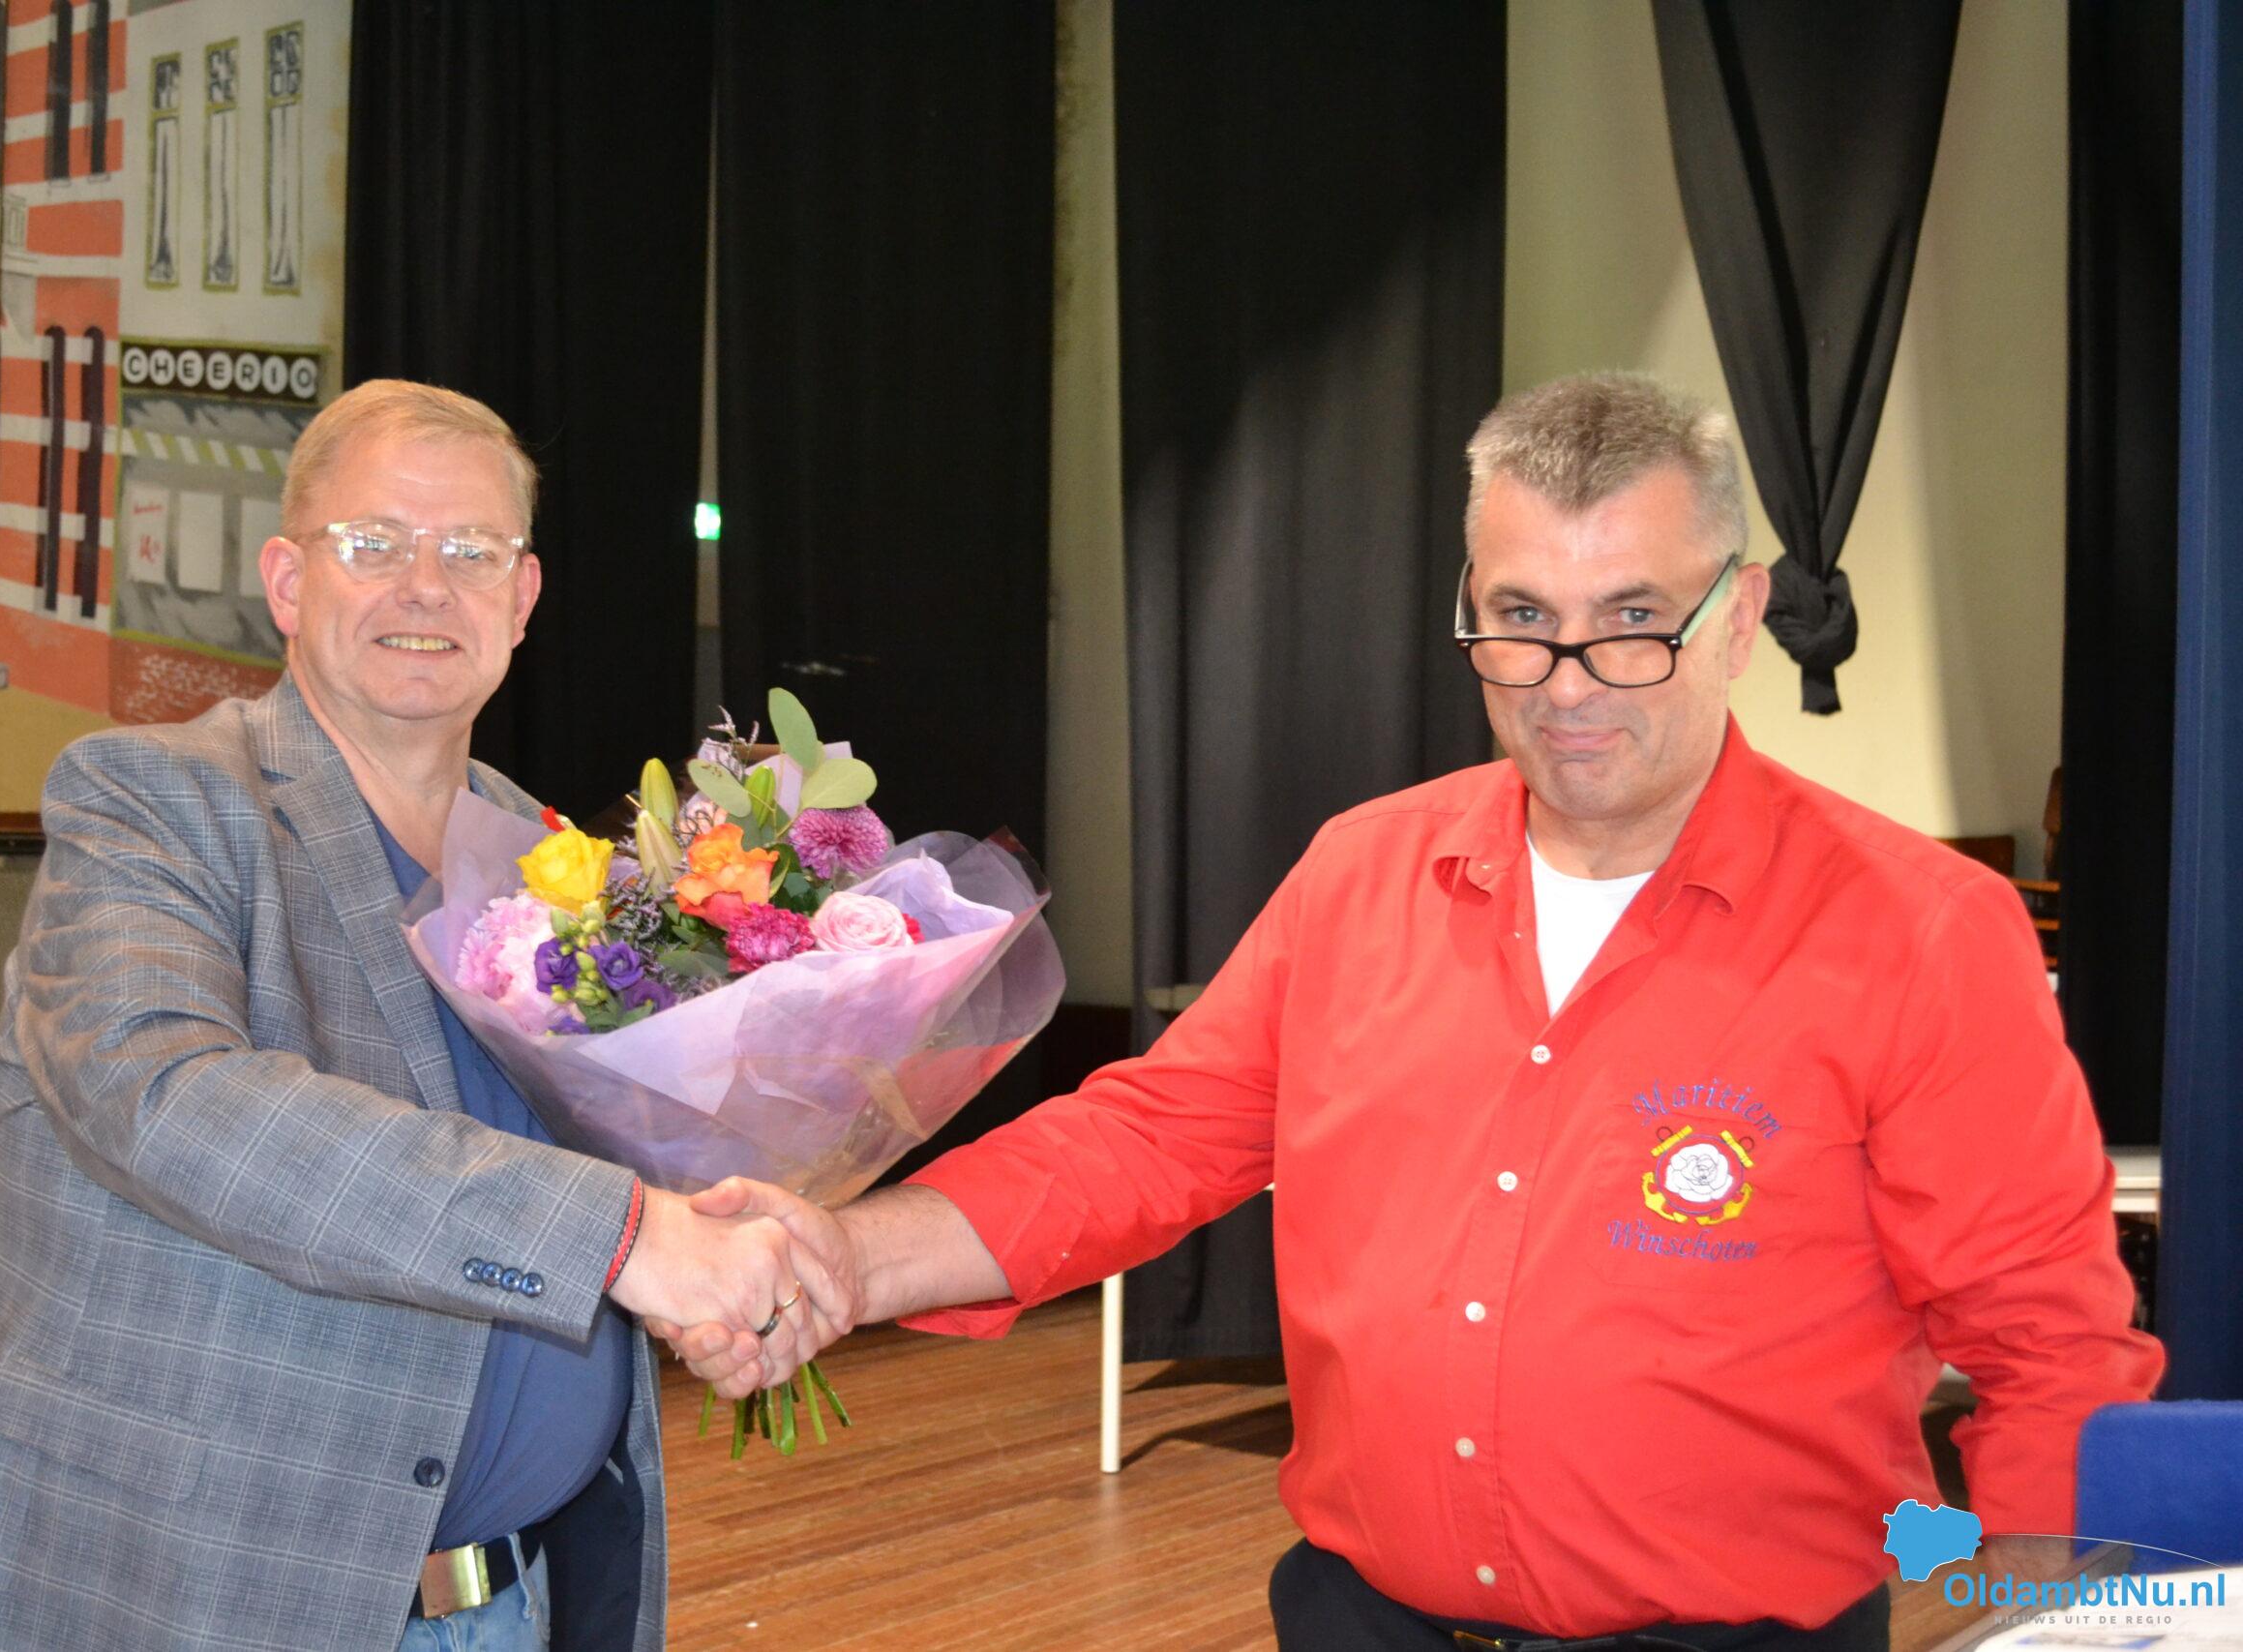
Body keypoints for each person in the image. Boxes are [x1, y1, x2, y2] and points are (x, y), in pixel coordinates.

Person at [661, 375, 2165, 1651]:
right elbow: (1147, 1140)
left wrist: (2059, 1627)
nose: (1567, 683)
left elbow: (2050, 1350)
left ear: (1740, 615)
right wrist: (844, 1259)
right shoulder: (1363, 873)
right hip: (1361, 1620)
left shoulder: (1918, 933)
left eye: (1632, 619)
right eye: (1520, 617)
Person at [0, 380, 841, 1652]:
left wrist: (716, 1260)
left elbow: (590, 1170)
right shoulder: (152, 800)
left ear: (522, 599)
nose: (425, 587)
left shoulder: (552, 855)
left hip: (513, 1600)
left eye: (471, 552)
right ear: (289, 583)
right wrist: (624, 1240)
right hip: (203, 1606)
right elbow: (163, 1095)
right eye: (374, 543)